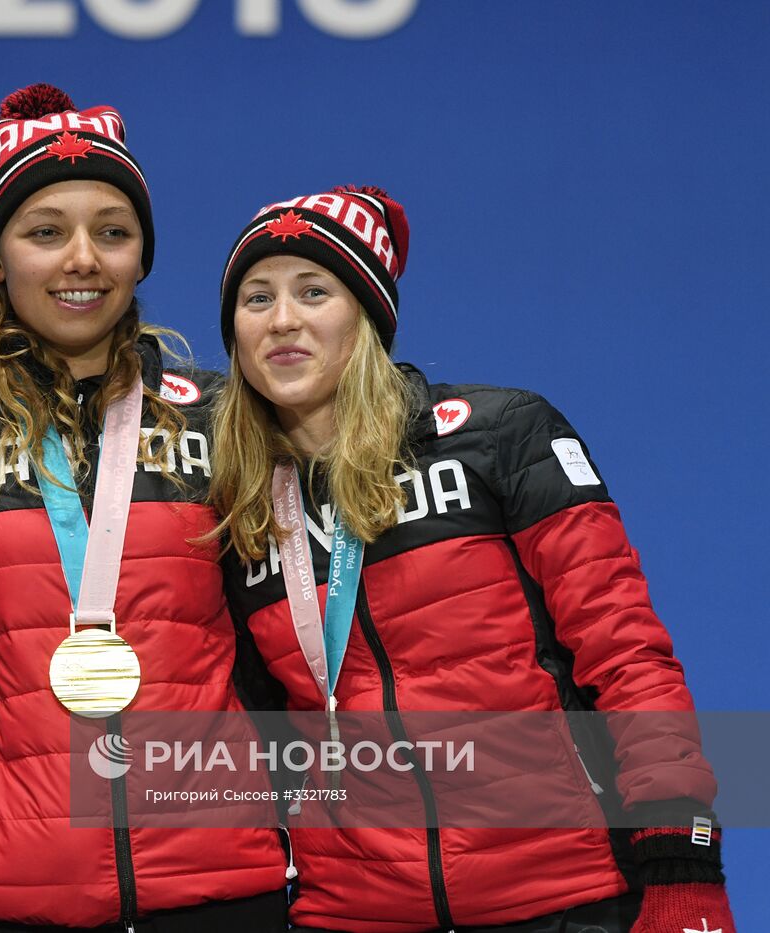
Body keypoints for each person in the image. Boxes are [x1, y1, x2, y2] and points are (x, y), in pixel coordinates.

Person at [210, 186, 736, 932]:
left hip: (568, 897)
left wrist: (683, 860)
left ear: (366, 315)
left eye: (313, 290)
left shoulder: (500, 438)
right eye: (256, 297)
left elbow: (627, 657)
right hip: (355, 913)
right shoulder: (240, 510)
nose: (282, 319)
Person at [0, 84, 290, 932]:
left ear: (141, 255)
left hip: (220, 887)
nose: (82, 259)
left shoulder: (224, 416)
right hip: (7, 893)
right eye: (44, 232)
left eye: (112, 231)